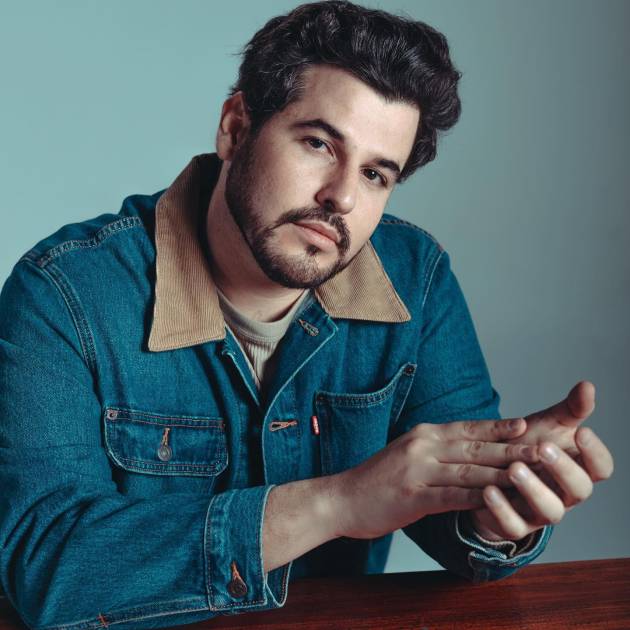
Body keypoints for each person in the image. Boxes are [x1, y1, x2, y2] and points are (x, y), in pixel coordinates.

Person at [0, 1, 614, 628]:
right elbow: (47, 568)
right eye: (319, 143)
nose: (341, 196)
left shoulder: (416, 278)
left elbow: (450, 516)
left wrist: (494, 510)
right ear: (235, 128)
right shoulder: (64, 294)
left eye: (375, 174)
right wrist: (339, 502)